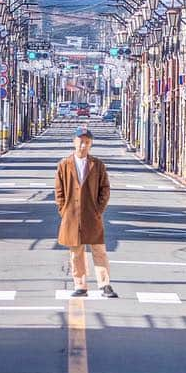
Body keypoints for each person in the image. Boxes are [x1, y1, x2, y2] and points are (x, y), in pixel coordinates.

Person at [54, 127, 118, 297]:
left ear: (91, 145)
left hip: (92, 215)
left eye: (87, 142)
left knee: (99, 250)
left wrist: (99, 209)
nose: (83, 145)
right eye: (80, 141)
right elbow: (59, 191)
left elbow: (105, 188)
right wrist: (64, 210)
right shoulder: (64, 165)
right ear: (74, 142)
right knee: (76, 252)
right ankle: (80, 285)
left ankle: (105, 284)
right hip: (71, 216)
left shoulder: (97, 165)